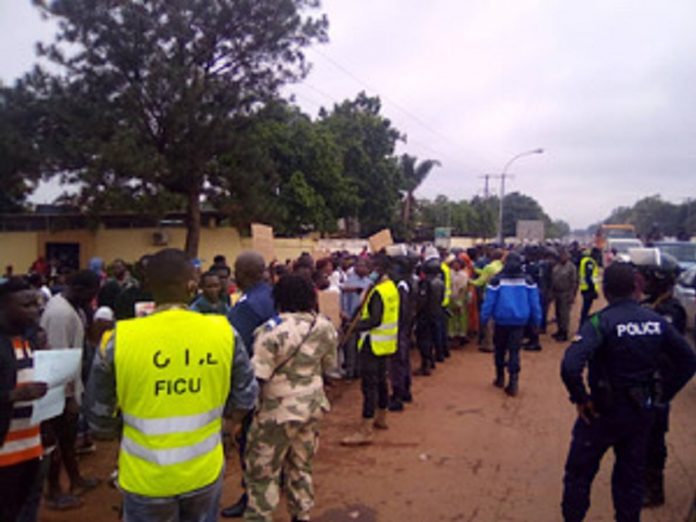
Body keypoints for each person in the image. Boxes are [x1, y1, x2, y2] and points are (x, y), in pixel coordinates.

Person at [85, 248, 258, 522]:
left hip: (145, 478)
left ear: (148, 285)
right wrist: (226, 428)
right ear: (193, 285)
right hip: (204, 472)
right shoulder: (224, 332)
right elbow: (246, 396)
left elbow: (98, 420)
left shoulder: (117, 340)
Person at [560, 262, 696, 522]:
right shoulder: (656, 321)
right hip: (640, 412)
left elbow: (570, 366)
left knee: (579, 475)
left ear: (604, 289)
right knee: (630, 479)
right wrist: (662, 394)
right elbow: (688, 360)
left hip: (600, 412)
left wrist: (581, 399)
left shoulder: (599, 322)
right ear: (635, 287)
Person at [243, 274, 338, 522]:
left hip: (277, 413)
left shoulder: (270, 330)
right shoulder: (325, 326)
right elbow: (330, 367)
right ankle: (301, 515)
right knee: (301, 466)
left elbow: (258, 377)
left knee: (263, 472)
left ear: (279, 298)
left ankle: (260, 516)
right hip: (312, 407)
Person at [40, 270, 101, 510]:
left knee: (67, 440)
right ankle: (53, 491)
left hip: (70, 387)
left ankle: (76, 478)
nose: (92, 298)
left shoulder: (70, 308)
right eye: (91, 293)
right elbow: (57, 359)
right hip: (58, 392)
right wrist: (69, 398)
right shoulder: (59, 314)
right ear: (78, 288)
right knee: (55, 441)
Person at [630, 249, 687, 508]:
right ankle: (640, 479)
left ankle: (654, 490)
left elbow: (683, 360)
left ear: (657, 279)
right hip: (641, 384)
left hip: (657, 386)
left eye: (642, 275)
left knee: (654, 439)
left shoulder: (669, 311)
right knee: (640, 435)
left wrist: (667, 390)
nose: (638, 279)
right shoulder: (647, 304)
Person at [222, 251, 276, 519]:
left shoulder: (246, 305)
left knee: (250, 444)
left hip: (253, 383)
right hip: (277, 381)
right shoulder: (272, 295)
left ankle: (252, 497)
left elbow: (237, 351)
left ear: (243, 273)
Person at [0, 278, 48, 522]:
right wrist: (11, 396)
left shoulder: (27, 342)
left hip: (30, 448)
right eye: (26, 305)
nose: (35, 310)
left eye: (36, 304)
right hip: (4, 453)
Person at [341, 255, 399, 446]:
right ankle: (381, 418)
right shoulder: (391, 288)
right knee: (382, 382)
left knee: (369, 386)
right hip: (386, 344)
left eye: (372, 267)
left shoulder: (378, 292)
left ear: (379, 269)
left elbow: (375, 320)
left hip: (372, 343)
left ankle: (365, 430)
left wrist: (353, 326)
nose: (370, 270)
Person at [480, 252, 542, 397]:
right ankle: (513, 382)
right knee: (515, 351)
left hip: (501, 321)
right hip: (520, 322)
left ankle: (500, 378)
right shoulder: (528, 280)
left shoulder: (496, 280)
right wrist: (536, 321)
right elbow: (535, 303)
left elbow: (489, 302)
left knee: (499, 350)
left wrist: (484, 319)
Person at [387, 255, 413, 412]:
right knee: (403, 361)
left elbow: (402, 311)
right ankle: (405, 391)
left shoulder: (401, 286)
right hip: (404, 328)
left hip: (399, 329)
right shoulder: (408, 282)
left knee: (397, 363)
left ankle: (398, 396)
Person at [414, 258, 446, 376]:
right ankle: (431, 361)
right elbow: (442, 298)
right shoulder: (440, 282)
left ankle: (425, 365)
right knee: (432, 338)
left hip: (425, 315)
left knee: (423, 340)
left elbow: (422, 301)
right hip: (436, 313)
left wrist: (416, 312)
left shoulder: (425, 283)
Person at [471, 250, 504, 352]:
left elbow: (480, 282)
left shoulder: (489, 267)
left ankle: (488, 344)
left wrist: (469, 281)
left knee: (488, 320)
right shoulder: (502, 267)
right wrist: (475, 270)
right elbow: (485, 273)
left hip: (489, 294)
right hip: (501, 295)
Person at [551, 249, 578, 342]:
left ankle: (564, 332)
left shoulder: (571, 267)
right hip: (556, 292)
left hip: (566, 293)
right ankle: (559, 330)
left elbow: (574, 282)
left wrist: (572, 295)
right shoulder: (557, 266)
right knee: (558, 312)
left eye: (564, 255)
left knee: (564, 314)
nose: (562, 257)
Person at [447, 258, 469, 347]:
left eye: (458, 264)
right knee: (451, 317)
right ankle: (451, 335)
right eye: (454, 264)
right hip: (450, 298)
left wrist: (460, 300)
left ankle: (461, 335)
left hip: (461, 299)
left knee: (461, 318)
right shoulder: (449, 274)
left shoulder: (464, 275)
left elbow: (463, 288)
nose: (456, 266)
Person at [578, 249, 600, 328]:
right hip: (588, 289)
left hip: (585, 288)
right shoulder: (590, 262)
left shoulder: (585, 260)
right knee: (585, 310)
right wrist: (593, 290)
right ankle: (581, 327)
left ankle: (581, 325)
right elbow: (589, 277)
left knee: (585, 309)